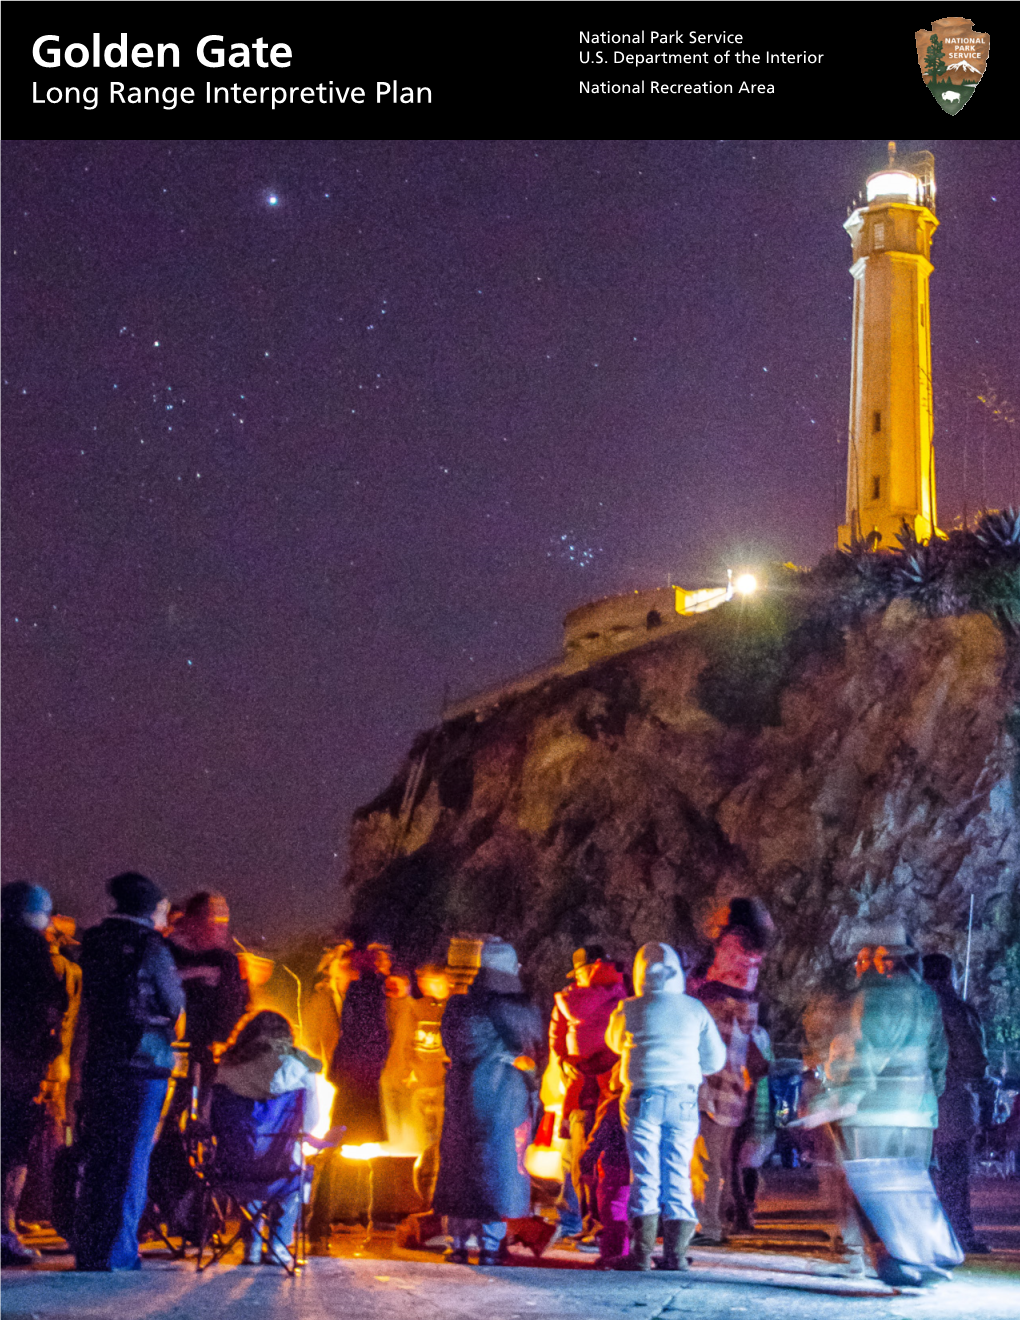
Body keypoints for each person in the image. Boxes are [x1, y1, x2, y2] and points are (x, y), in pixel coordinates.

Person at [817, 921, 953, 1287]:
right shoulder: (926, 996)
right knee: (910, 1188)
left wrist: (840, 1097)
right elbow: (939, 1054)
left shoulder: (873, 998)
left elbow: (865, 1055)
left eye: (871, 956)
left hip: (875, 1113)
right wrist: (930, 1095)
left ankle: (886, 1258)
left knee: (870, 1189)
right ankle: (921, 1257)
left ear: (884, 958)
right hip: (918, 1111)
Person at [73, 872, 186, 1271]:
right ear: (151, 908)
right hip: (143, 1061)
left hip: (99, 1057)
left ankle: (88, 1246)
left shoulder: (94, 941)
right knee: (132, 1156)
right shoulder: (151, 947)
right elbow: (172, 1003)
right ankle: (118, 1250)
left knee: (99, 1153)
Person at [605, 942, 726, 1271]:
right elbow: (716, 1060)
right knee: (679, 1173)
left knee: (644, 1174)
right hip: (684, 1099)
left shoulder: (629, 1007)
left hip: (642, 1098)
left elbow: (613, 1043)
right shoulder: (695, 1009)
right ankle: (675, 1255)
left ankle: (640, 1254)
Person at [434, 937, 543, 1265]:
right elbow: (534, 1047)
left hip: (461, 1093)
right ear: (511, 968)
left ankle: (458, 1243)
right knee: (501, 1166)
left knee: (460, 1163)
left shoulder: (457, 1006)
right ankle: (491, 1245)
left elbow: (449, 1046)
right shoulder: (517, 1007)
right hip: (503, 1095)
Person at [215, 1010, 335, 1265]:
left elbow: (211, 1117)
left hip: (232, 1166)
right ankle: (279, 1246)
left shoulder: (227, 1065)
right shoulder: (300, 1065)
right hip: (279, 1166)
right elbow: (310, 1121)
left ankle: (251, 1246)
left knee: (248, 1154)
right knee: (290, 1165)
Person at [693, 897, 773, 1244]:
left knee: (707, 1157)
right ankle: (720, 1218)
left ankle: (707, 1224)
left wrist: (696, 990)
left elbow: (715, 991)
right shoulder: (755, 959)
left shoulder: (732, 948)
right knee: (722, 1157)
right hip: (734, 1071)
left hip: (713, 1072)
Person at [1, 883, 68, 1266]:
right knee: (12, 1149)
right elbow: (49, 1004)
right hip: (17, 1061)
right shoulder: (33, 950)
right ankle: (4, 1231)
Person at [548, 946, 626, 1247]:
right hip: (611, 1086)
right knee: (609, 1159)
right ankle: (605, 1224)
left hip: (579, 1087)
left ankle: (584, 1220)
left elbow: (556, 1042)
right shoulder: (623, 997)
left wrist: (571, 1065)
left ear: (584, 970)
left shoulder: (564, 1001)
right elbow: (621, 1040)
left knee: (580, 1157)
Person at [923, 952, 992, 1254]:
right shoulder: (958, 1010)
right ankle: (958, 1235)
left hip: (914, 1102)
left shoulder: (911, 1008)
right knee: (953, 1176)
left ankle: (922, 1237)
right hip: (952, 1101)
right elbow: (975, 1060)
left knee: (920, 1174)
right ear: (951, 976)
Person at [169, 891, 248, 1102]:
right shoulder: (167, 952)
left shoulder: (226, 961)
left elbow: (231, 1006)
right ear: (194, 921)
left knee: (201, 1114)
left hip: (208, 1055)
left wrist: (224, 1042)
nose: (222, 927)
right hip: (168, 1051)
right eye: (216, 919)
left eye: (225, 920)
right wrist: (197, 975)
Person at [578, 1061, 631, 1267]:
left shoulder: (614, 1106)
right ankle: (632, 1253)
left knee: (612, 1213)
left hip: (613, 1167)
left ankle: (613, 1255)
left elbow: (598, 1138)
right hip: (637, 1168)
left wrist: (586, 1162)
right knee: (633, 1214)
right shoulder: (642, 1101)